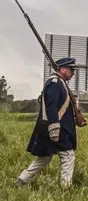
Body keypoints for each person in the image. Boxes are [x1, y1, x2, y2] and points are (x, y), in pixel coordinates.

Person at [16, 57, 84, 188]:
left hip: (53, 127)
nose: (73, 73)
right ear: (62, 69)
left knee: (44, 158)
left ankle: (22, 180)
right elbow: (51, 108)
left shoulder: (59, 83)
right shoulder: (54, 83)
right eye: (71, 70)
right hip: (55, 128)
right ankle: (65, 187)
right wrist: (54, 129)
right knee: (68, 155)